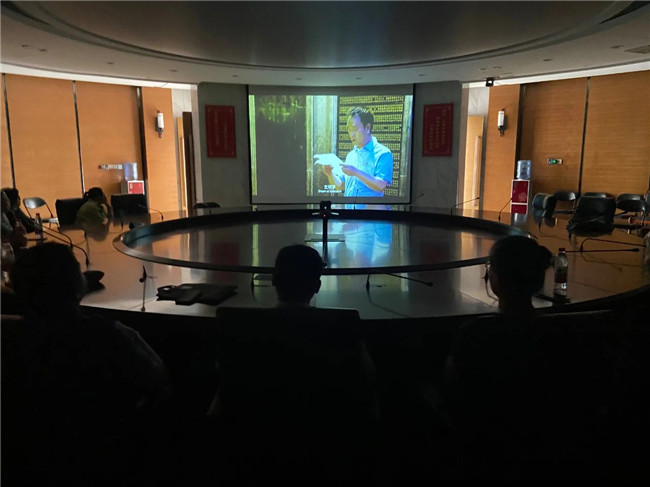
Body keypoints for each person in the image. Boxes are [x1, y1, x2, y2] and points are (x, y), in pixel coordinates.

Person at [2, 242, 170, 486]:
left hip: (28, 456)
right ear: (77, 287)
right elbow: (156, 375)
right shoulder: (111, 335)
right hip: (105, 453)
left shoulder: (8, 337)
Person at [443, 236, 557, 485]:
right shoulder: (558, 333)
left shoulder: (475, 333)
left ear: (494, 277)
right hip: (542, 448)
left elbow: (452, 391)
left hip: (482, 449)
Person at [318, 106, 393, 199]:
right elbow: (341, 186)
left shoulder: (383, 153)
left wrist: (356, 172)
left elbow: (381, 185)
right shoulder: (351, 155)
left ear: (367, 128)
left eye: (354, 129)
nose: (351, 134)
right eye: (349, 130)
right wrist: (330, 174)